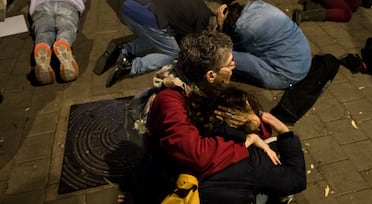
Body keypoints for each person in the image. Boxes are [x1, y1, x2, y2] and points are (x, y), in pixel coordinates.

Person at [117, 31, 306, 203]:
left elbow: (247, 128)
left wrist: (253, 124)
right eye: (229, 62)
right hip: (173, 172)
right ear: (211, 75)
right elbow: (196, 154)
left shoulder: (204, 85)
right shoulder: (170, 101)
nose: (234, 65)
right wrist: (245, 141)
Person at [94, 0, 215, 87]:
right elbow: (197, 44)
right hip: (149, 16)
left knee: (159, 38)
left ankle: (123, 49)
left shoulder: (193, 1)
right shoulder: (204, 17)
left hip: (129, 6)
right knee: (174, 53)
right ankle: (131, 67)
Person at [216, 0, 312, 90]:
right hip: (302, 59)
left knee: (221, 56)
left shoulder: (247, 30)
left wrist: (221, 28)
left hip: (287, 75)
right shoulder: (258, 5)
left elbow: (228, 45)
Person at [30, 0, 87, 85]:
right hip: (65, 2)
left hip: (41, 5)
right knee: (67, 26)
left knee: (44, 30)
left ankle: (43, 45)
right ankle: (63, 42)